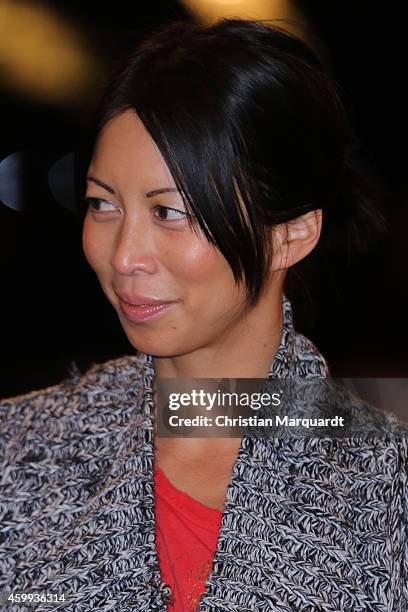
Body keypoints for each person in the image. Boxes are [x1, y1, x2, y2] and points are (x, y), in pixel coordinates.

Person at [0, 19, 407, 612]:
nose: (124, 256)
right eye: (101, 204)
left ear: (292, 234)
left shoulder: (386, 481)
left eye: (169, 212)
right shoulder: (20, 450)